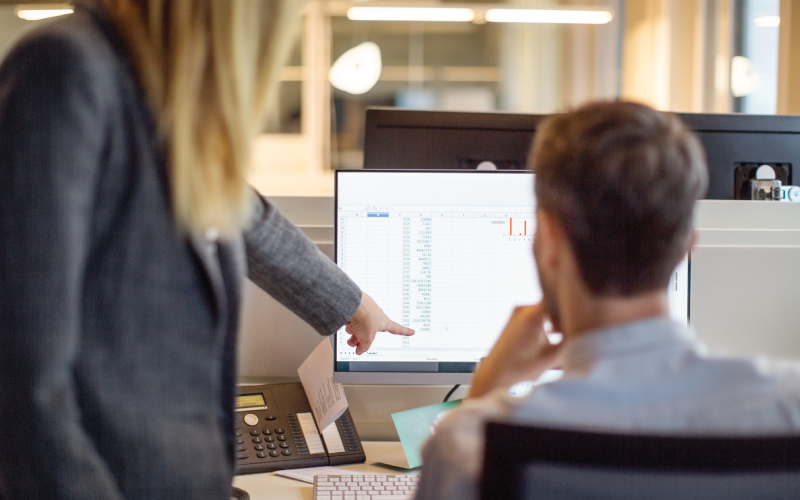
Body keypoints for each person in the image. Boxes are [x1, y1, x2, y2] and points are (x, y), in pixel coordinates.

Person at [0, 1, 412, 499]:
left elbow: (236, 207)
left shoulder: (157, 82)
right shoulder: (66, 70)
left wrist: (351, 301)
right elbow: (23, 385)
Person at [414, 101, 800, 500]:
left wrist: (482, 397)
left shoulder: (469, 444)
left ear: (549, 240)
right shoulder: (791, 408)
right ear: (687, 246)